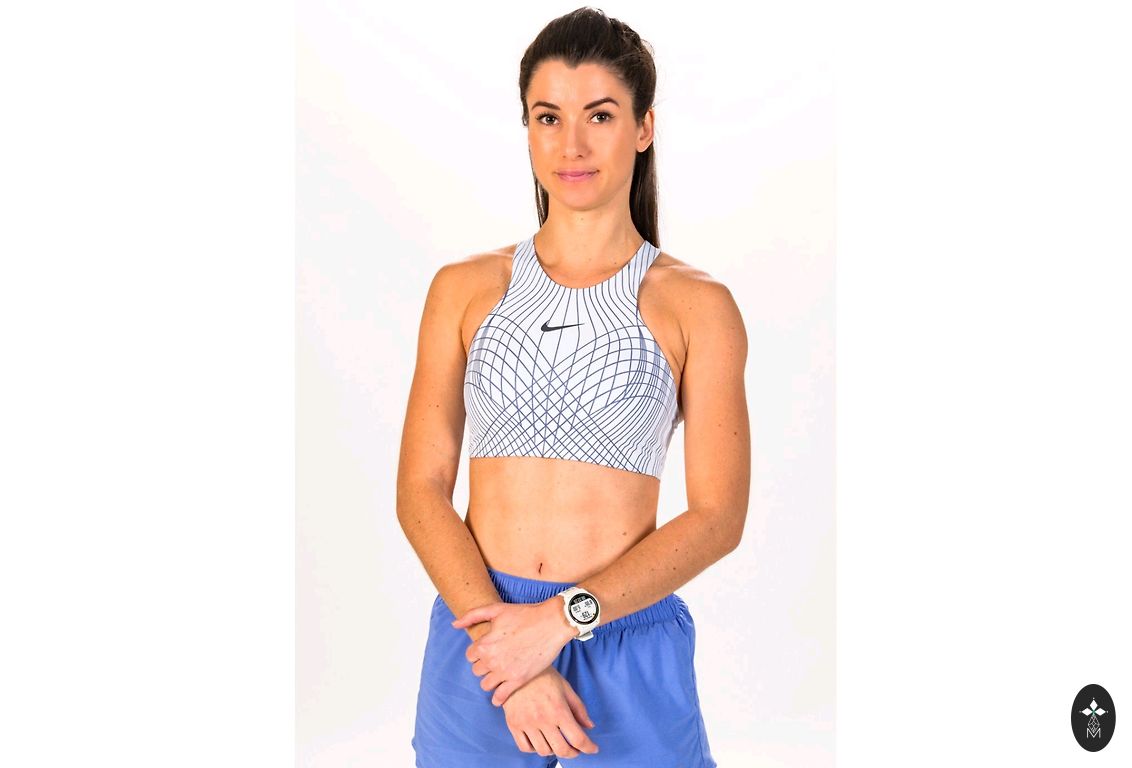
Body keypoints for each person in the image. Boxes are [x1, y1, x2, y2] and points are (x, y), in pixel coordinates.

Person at [396, 8, 749, 767]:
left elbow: (718, 518)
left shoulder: (696, 306)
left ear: (644, 128)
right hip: (480, 631)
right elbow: (420, 490)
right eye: (548, 117)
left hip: (624, 636)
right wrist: (510, 651)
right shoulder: (464, 289)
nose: (572, 145)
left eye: (601, 115)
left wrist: (560, 621)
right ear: (526, 128)